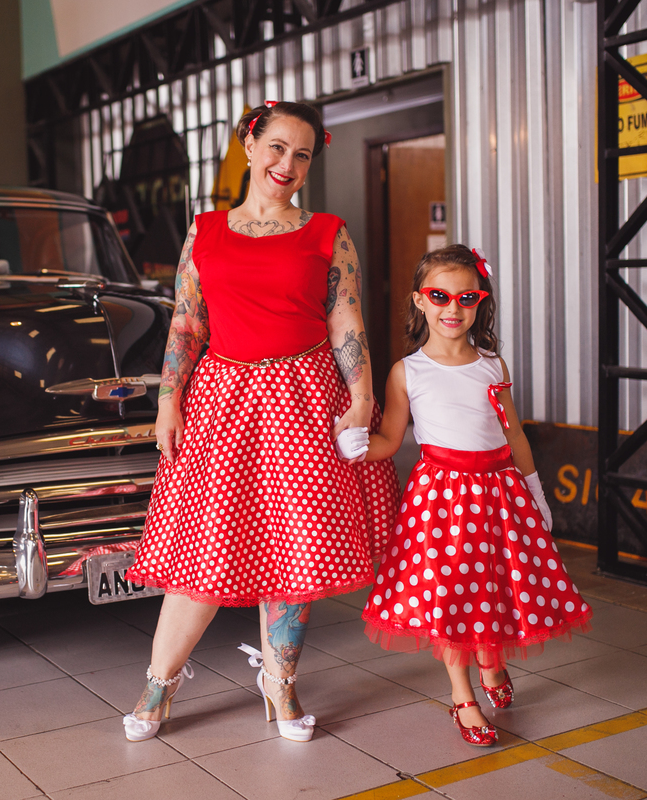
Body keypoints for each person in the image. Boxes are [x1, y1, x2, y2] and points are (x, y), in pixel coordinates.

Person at [122, 101, 399, 743]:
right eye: (277, 147)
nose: (288, 164)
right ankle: (161, 681)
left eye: (302, 154)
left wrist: (359, 394)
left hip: (306, 396)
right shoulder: (205, 230)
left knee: (297, 550)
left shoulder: (328, 231)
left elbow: (346, 319)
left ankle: (279, 682)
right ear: (249, 145)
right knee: (206, 548)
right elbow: (187, 321)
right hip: (221, 402)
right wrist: (168, 401)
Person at [357, 244, 591, 746]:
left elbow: (516, 436)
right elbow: (390, 443)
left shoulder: (493, 365)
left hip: (500, 493)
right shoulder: (408, 372)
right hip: (440, 500)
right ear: (420, 301)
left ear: (479, 301)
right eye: (439, 296)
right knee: (449, 597)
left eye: (467, 297)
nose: (453, 308)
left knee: (493, 588)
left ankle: (490, 664)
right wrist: (356, 446)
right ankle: (463, 698)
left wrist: (536, 493)